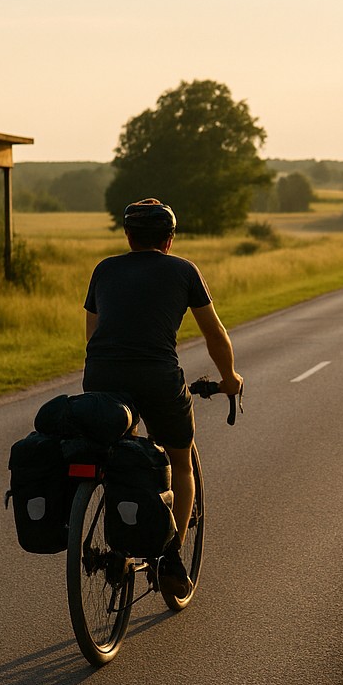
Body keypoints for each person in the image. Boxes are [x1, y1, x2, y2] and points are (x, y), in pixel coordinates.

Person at [81, 198, 243, 598]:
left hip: (101, 375)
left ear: (128, 236)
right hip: (157, 377)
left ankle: (120, 538)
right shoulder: (183, 270)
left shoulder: (104, 269)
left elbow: (93, 336)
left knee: (117, 455)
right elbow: (214, 333)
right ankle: (171, 558)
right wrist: (229, 378)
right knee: (179, 461)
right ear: (169, 239)